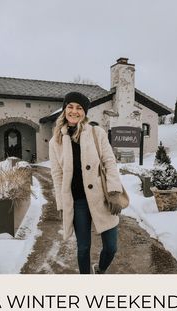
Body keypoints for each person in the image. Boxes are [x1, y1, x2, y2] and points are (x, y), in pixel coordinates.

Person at [49, 91, 124, 274]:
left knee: (111, 247)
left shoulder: (96, 133)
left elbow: (109, 161)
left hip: (102, 197)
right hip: (77, 202)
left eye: (79, 108)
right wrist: (61, 204)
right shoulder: (55, 141)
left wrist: (114, 192)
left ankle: (100, 269)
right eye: (70, 107)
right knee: (83, 248)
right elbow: (57, 175)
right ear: (65, 110)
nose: (74, 111)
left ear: (85, 112)